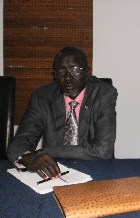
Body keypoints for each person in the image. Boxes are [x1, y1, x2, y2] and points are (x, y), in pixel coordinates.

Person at [7, 46, 117, 179]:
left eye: (75, 69)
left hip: (96, 171)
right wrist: (25, 157)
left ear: (87, 72)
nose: (68, 77)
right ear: (55, 74)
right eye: (61, 70)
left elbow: (103, 150)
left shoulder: (104, 94)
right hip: (55, 173)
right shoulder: (42, 97)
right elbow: (20, 142)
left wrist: (43, 152)